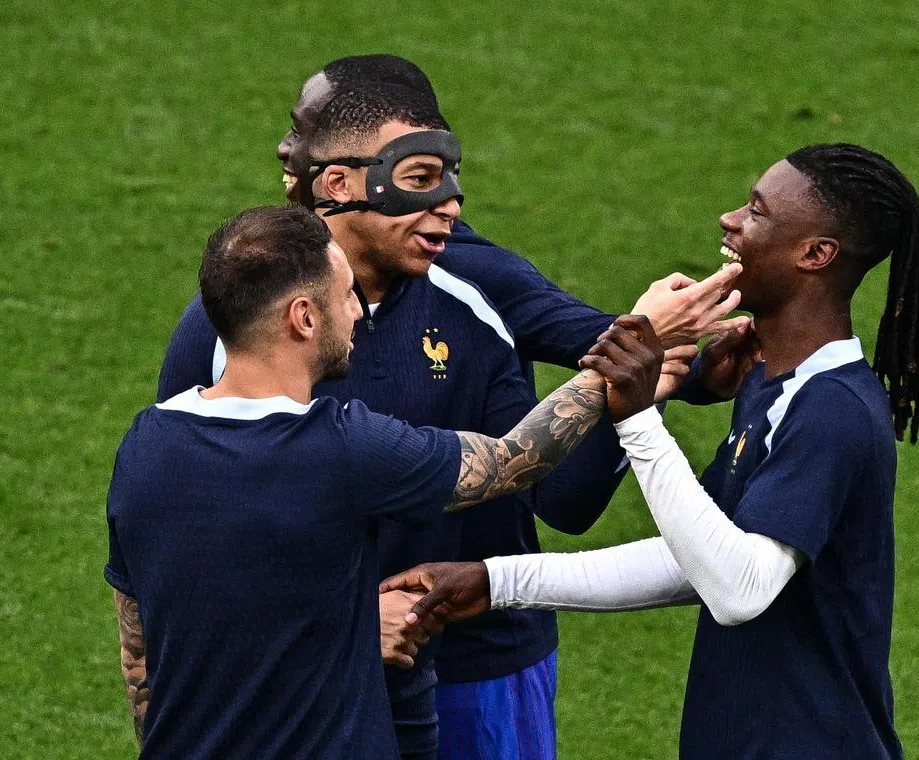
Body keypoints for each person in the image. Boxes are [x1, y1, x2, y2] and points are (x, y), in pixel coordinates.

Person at [156, 58, 744, 760]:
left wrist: (664, 378)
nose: (452, 205)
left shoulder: (474, 289)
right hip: (315, 672)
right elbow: (187, 541)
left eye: (447, 178)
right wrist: (342, 624)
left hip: (484, 668)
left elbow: (567, 487)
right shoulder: (232, 327)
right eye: (418, 181)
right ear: (338, 184)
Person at [383, 144, 919, 759]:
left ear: (815, 254)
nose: (730, 220)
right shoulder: (770, 385)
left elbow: (740, 588)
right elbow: (700, 558)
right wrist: (494, 581)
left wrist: (638, 417)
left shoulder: (832, 411)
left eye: (757, 212)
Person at [106, 205, 661, 758]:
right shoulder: (343, 448)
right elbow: (514, 458)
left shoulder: (145, 446)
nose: (357, 312)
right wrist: (620, 361)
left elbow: (140, 649)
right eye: (347, 295)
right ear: (304, 317)